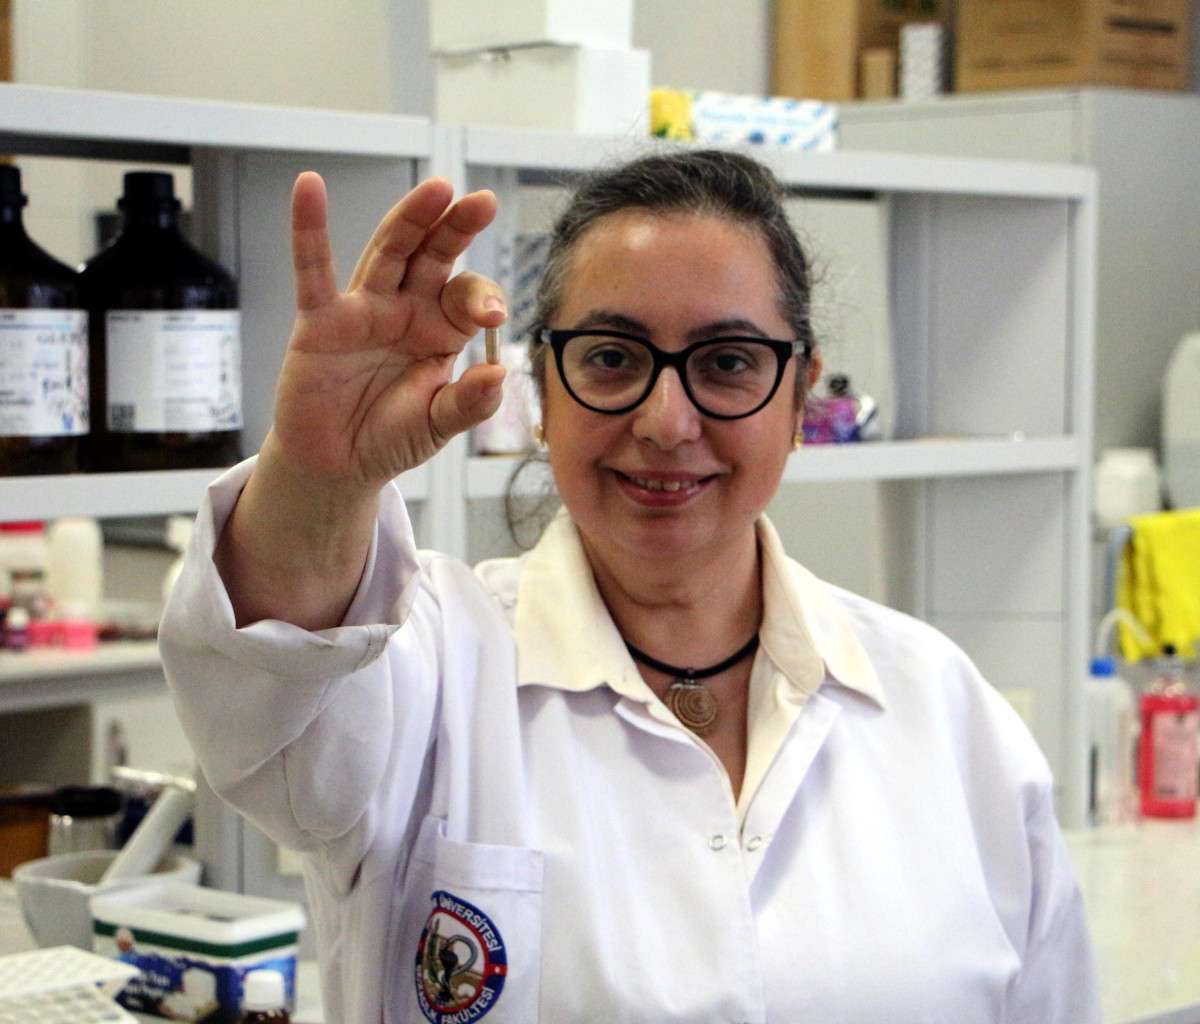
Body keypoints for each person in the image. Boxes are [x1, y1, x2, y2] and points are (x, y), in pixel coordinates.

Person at [160, 148, 1099, 1023]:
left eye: (727, 364)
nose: (665, 421)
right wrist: (317, 481)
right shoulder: (430, 663)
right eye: (612, 358)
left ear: (800, 397)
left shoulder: (944, 710)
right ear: (543, 386)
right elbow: (264, 693)